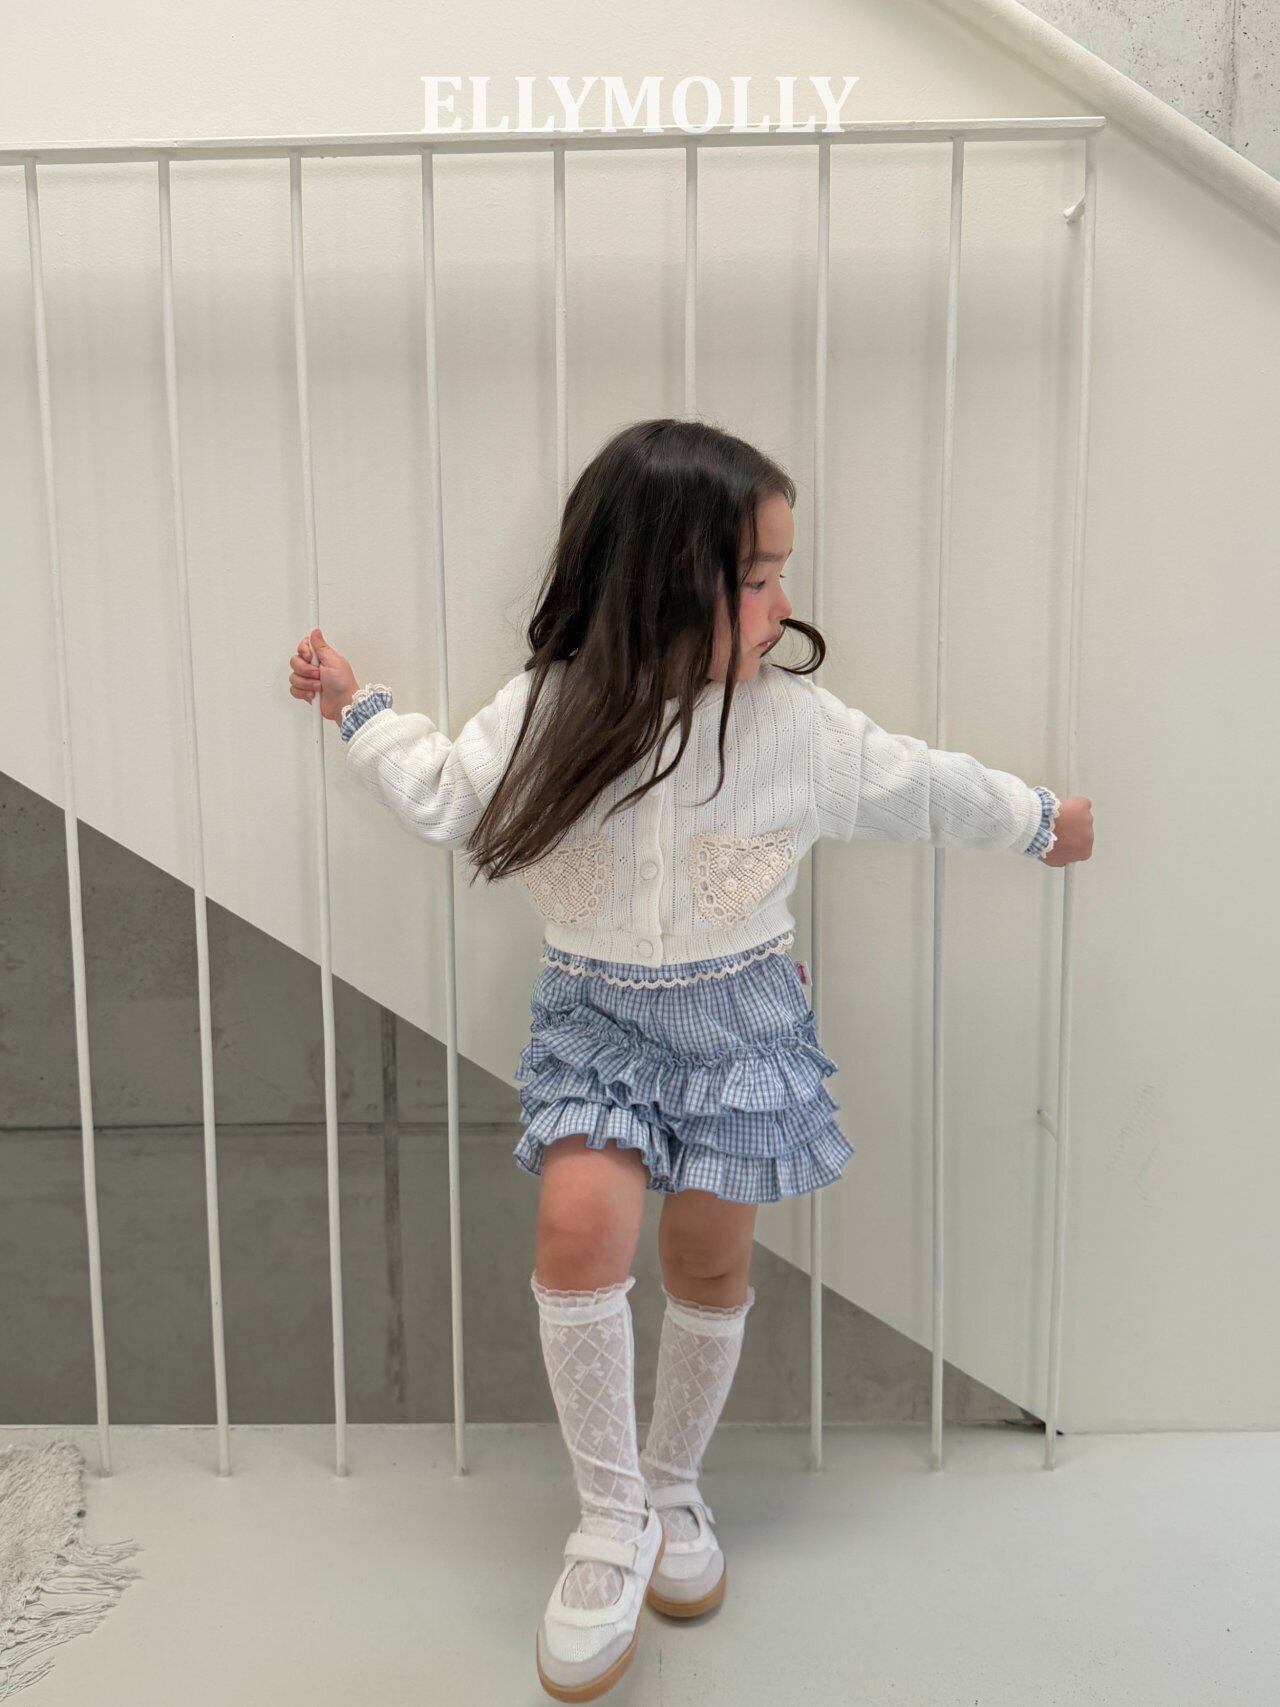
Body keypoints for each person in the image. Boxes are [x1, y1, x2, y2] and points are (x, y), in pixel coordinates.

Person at [287, 417, 1094, 1702]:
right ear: (659, 581)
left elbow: (914, 783)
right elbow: (446, 795)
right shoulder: (548, 708)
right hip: (595, 1026)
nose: (780, 606)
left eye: (779, 575)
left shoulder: (794, 728)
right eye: (756, 578)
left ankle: (671, 1485)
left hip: (741, 1026)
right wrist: (358, 710)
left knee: (708, 1262)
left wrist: (1038, 820)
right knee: (578, 1234)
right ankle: (608, 1520)